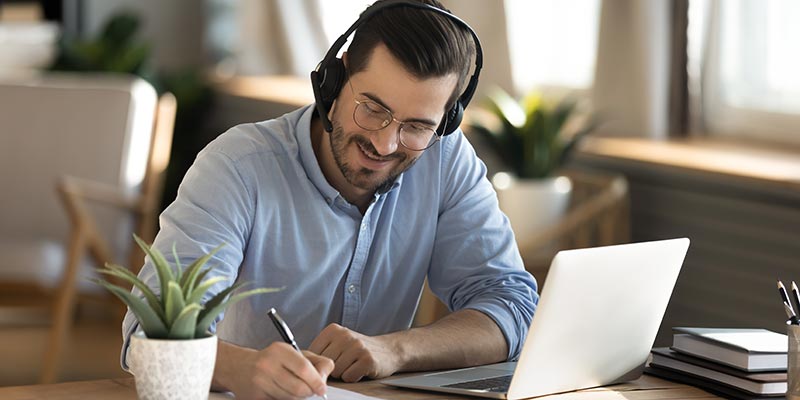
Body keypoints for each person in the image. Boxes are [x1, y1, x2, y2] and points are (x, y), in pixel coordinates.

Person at [121, 0, 538, 399]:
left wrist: (393, 350)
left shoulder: (444, 159)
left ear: (444, 122)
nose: (385, 142)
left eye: (416, 126)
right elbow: (149, 335)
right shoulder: (237, 166)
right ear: (333, 81)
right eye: (372, 108)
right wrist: (241, 368)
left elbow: (512, 306)